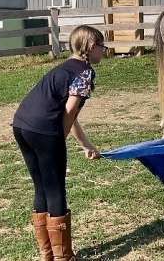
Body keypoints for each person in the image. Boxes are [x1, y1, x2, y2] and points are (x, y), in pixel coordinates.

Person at [12, 25, 106, 261]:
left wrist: (85, 145)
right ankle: (63, 257)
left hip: (22, 125)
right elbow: (70, 110)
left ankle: (47, 254)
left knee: (41, 187)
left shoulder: (64, 68)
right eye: (103, 47)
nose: (105, 51)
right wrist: (58, 140)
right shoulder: (85, 72)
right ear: (92, 47)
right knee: (55, 190)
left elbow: (67, 114)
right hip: (44, 131)